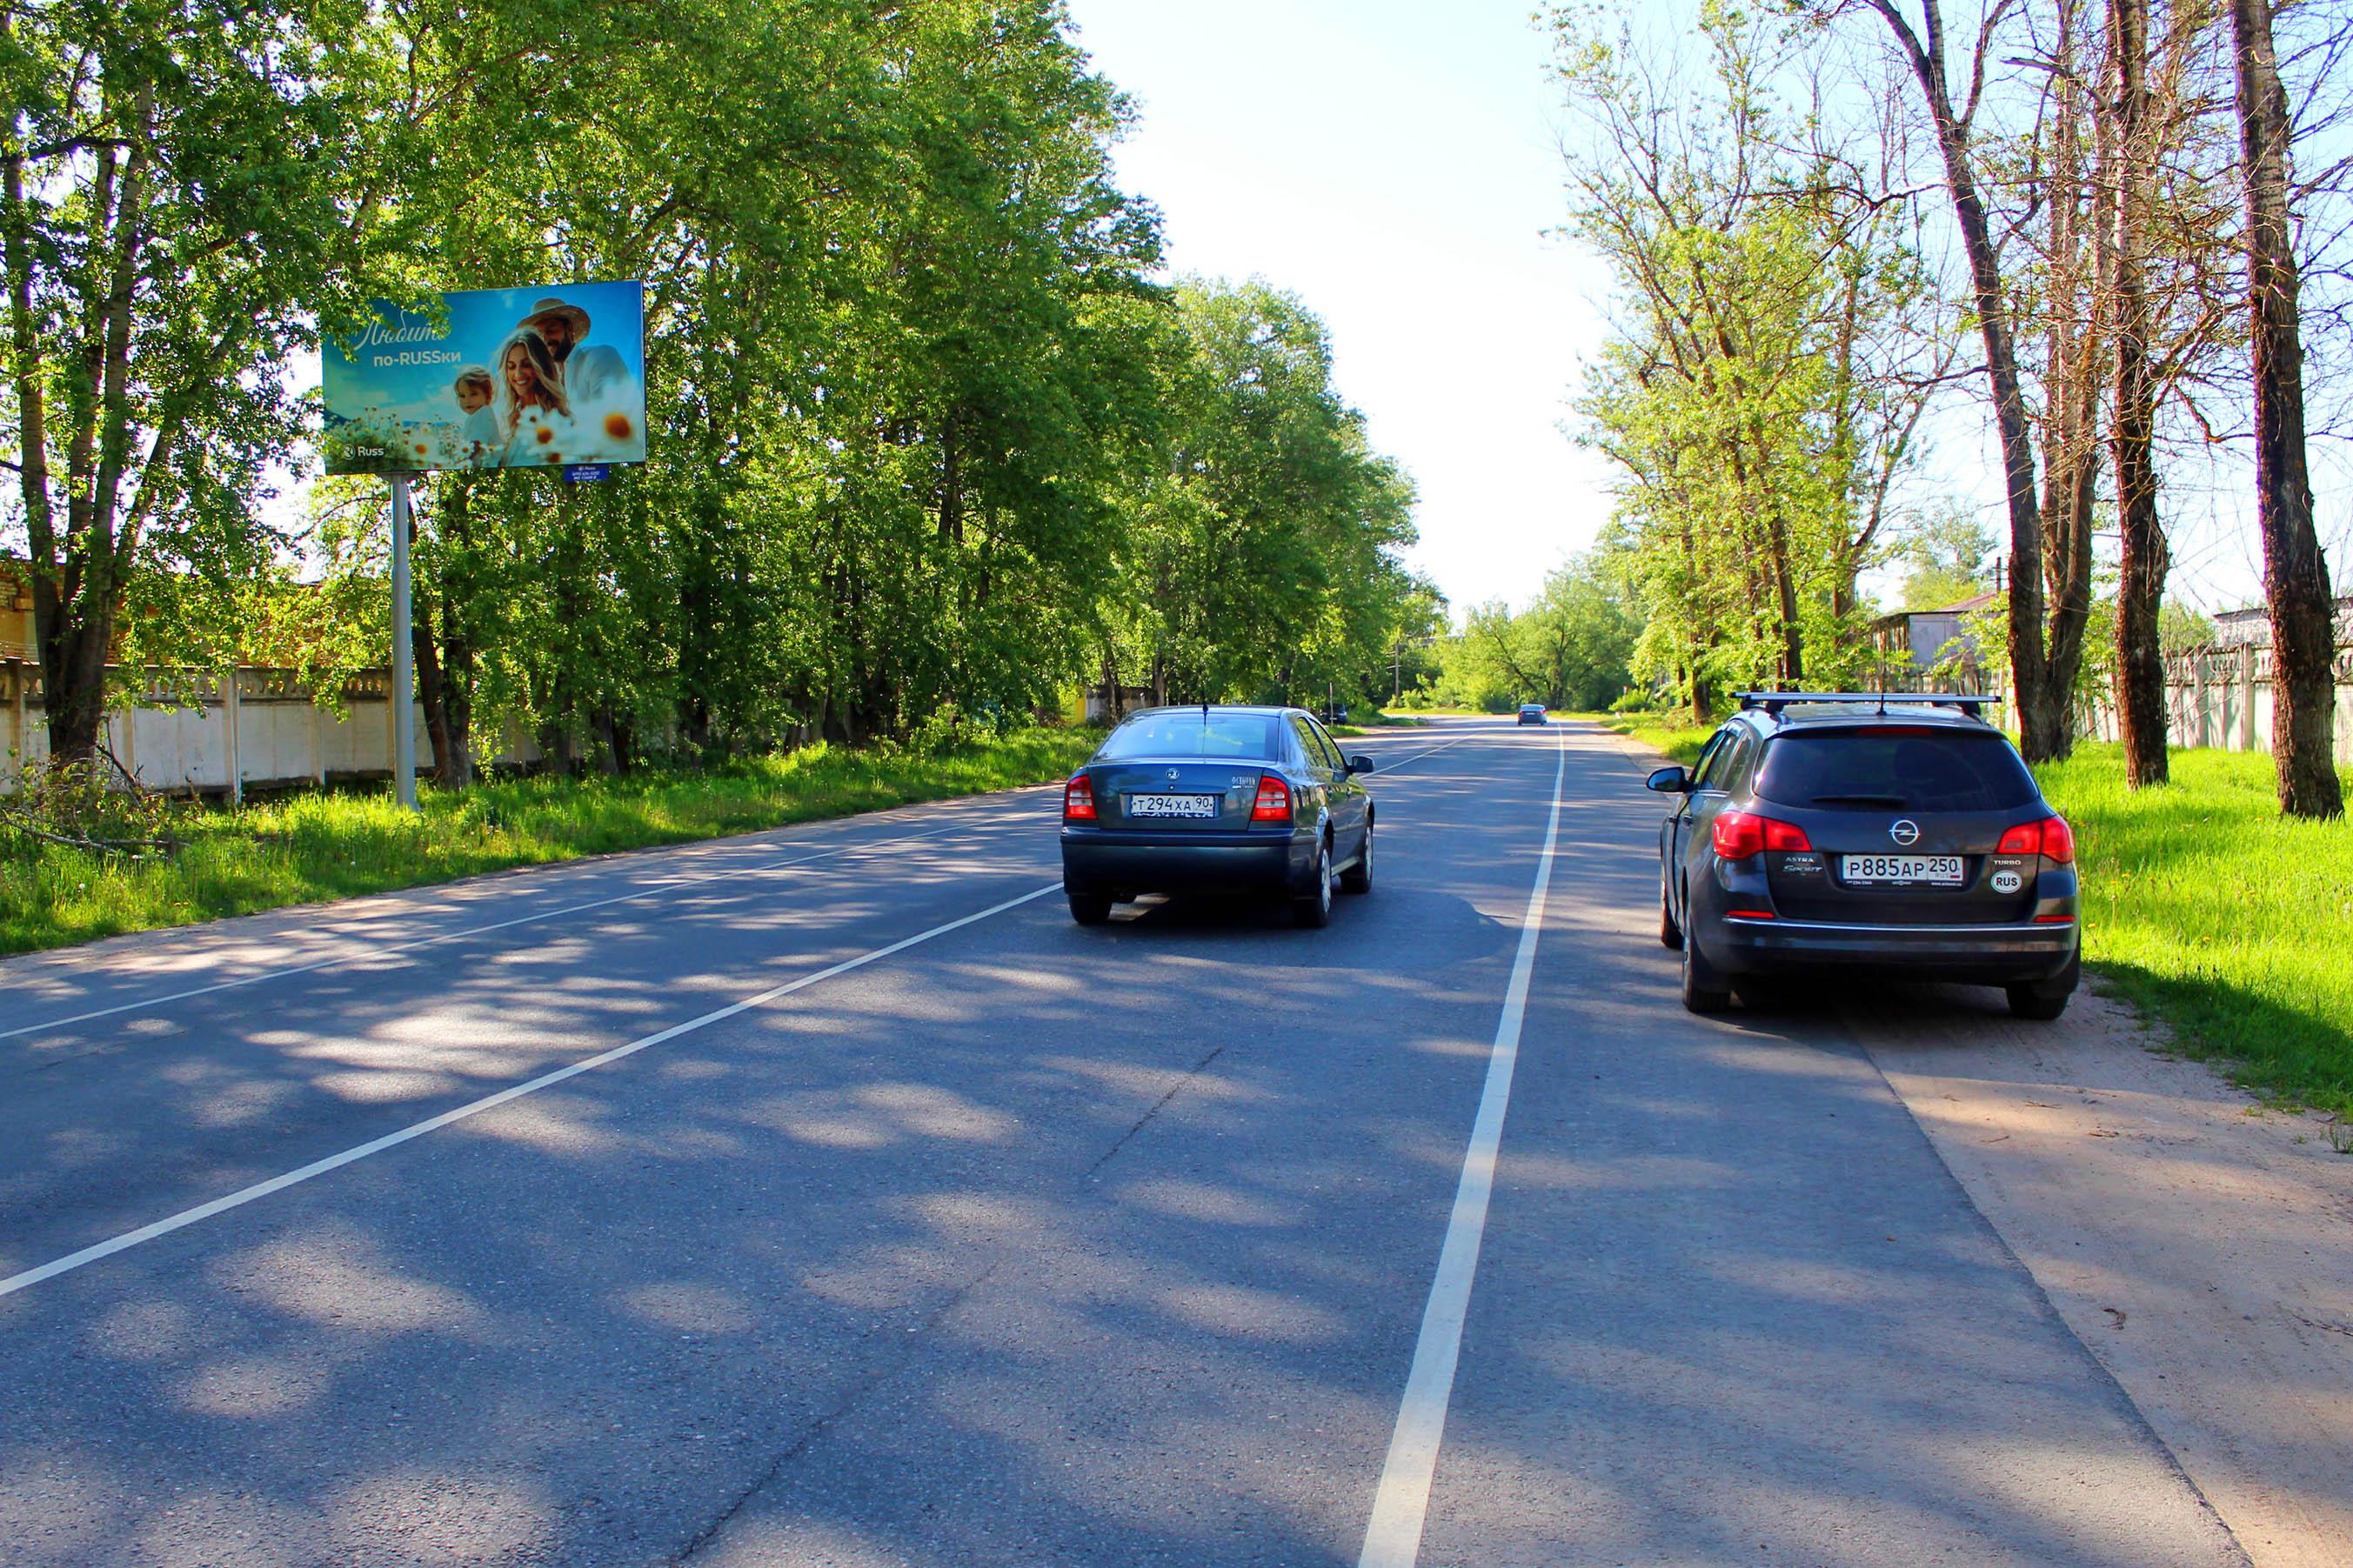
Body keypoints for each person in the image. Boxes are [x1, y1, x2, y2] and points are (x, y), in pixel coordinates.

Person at [518, 297, 630, 408]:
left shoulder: (600, 356)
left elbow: (610, 410)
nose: (545, 339)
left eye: (551, 330)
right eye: (538, 335)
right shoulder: (546, 383)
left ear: (569, 329)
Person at [491, 327, 571, 464]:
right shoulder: (506, 419)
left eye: (526, 365)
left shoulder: (558, 420)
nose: (518, 374)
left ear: (542, 367)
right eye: (511, 367)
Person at [451, 364, 501, 468]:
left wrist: (459, 461)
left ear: (488, 395)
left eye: (473, 394)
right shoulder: (476, 416)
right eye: (462, 396)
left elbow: (476, 444)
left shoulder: (484, 413)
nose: (467, 400)